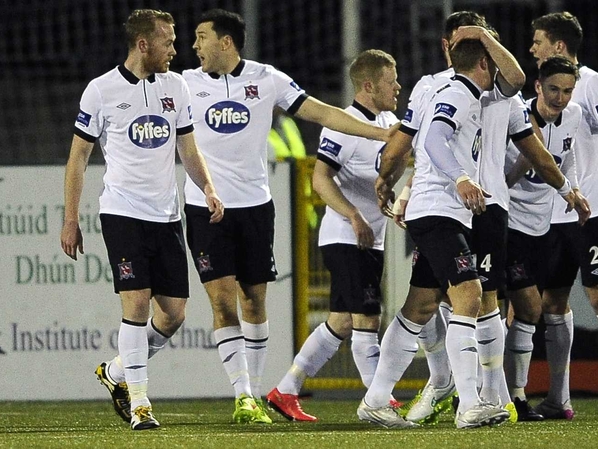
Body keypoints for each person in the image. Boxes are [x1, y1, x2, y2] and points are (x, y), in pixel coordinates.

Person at [181, 9, 396, 422]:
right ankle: (244, 395)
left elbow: (323, 113)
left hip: (256, 208)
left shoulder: (267, 79)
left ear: (226, 42)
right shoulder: (185, 84)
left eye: (201, 37)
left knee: (254, 300)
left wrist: (380, 133)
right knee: (223, 304)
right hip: (205, 208)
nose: (195, 46)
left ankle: (263, 392)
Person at [60, 9, 225, 431]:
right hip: (122, 212)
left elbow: (188, 147)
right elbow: (79, 157)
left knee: (173, 315)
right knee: (135, 304)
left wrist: (206, 187)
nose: (175, 49)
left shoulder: (177, 86)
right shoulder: (101, 91)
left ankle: (115, 373)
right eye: (168, 42)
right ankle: (140, 404)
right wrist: (70, 219)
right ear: (143, 45)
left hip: (166, 216)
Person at [359, 36, 515, 430]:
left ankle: (376, 400)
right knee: (470, 294)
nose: (495, 71)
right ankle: (469, 406)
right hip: (438, 212)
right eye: (491, 63)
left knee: (419, 307)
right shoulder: (458, 93)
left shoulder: (453, 92)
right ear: (483, 64)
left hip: (438, 213)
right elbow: (432, 139)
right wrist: (462, 177)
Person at [267, 50, 400, 422]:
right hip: (345, 236)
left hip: (371, 237)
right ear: (369, 86)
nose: (398, 86)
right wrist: (353, 215)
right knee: (367, 318)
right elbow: (320, 178)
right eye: (391, 81)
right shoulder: (345, 125)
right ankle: (378, 401)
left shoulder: (389, 120)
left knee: (341, 321)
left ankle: (286, 389)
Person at [527, 11, 598, 420]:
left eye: (538, 41)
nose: (532, 48)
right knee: (552, 302)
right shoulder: (540, 92)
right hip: (551, 214)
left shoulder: (592, 84)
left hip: (592, 211)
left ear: (558, 45)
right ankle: (560, 399)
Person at [502, 56, 584, 421]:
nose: (561, 98)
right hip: (508, 224)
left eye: (567, 90)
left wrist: (573, 189)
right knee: (527, 309)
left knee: (522, 314)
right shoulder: (514, 116)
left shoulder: (576, 116)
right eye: (553, 89)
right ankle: (511, 396)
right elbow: (501, 177)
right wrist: (528, 160)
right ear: (537, 87)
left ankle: (504, 394)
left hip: (541, 227)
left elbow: (566, 163)